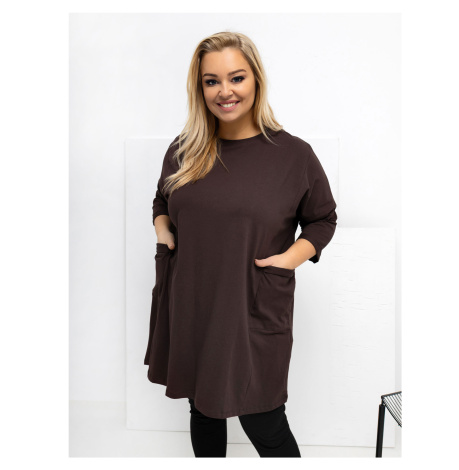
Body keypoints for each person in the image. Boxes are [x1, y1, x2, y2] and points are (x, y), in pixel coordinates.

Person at [144, 31, 337, 458]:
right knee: (203, 409)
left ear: (256, 80)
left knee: (263, 418)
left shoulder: (293, 155)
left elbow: (323, 218)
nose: (224, 91)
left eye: (236, 78)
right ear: (200, 88)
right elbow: (162, 199)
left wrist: (288, 260)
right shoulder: (184, 149)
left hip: (251, 305)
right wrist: (163, 231)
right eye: (211, 81)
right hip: (193, 303)